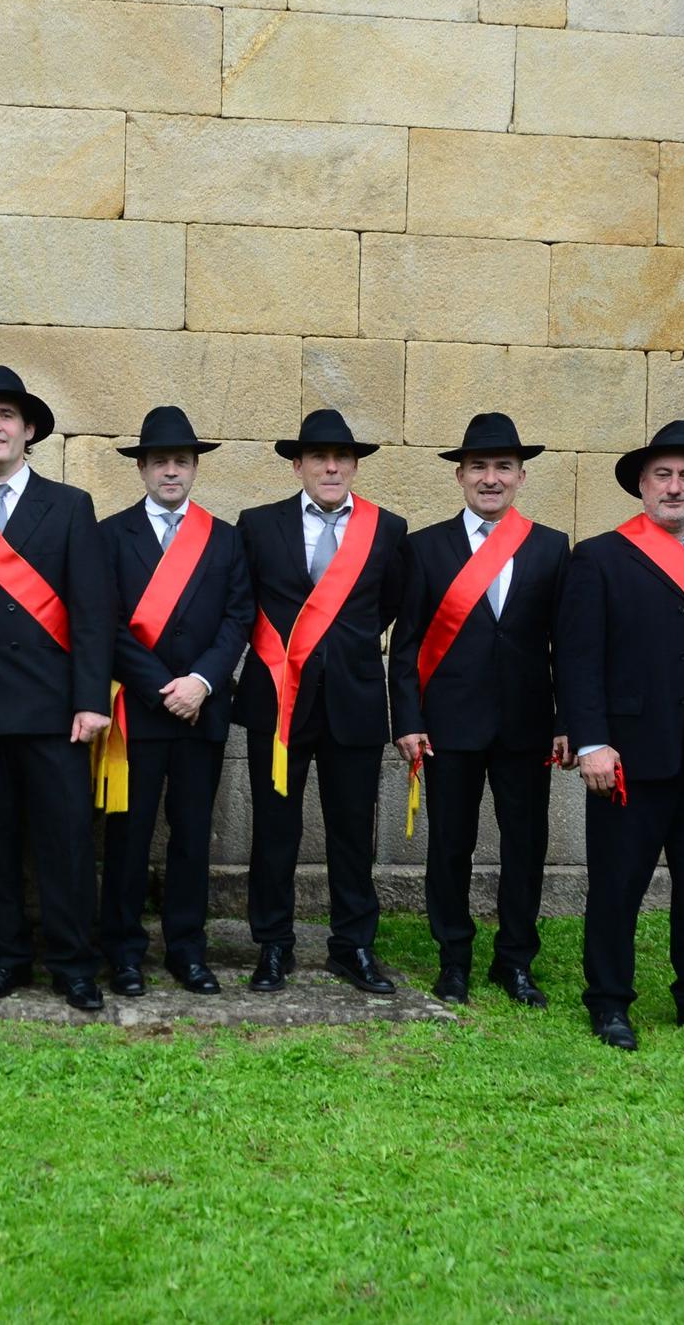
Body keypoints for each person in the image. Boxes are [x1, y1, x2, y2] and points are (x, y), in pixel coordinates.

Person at [558, 422, 684, 1053]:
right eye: (662, 475)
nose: (674, 487)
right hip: (627, 757)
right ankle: (609, 1001)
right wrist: (591, 743)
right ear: (640, 484)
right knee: (616, 885)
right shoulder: (600, 557)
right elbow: (578, 660)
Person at [0, 365, 114, 1011]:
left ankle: (73, 963)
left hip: (52, 710)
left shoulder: (70, 506)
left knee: (65, 844)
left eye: (6, 416)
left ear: (28, 429)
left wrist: (92, 699)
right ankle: (5, 958)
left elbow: (93, 612)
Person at [389, 412, 569, 1007]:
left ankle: (515, 960)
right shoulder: (424, 547)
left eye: (503, 468)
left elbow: (565, 644)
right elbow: (407, 643)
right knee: (450, 845)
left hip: (526, 725)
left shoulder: (549, 546)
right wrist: (408, 720)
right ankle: (454, 959)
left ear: (520, 477)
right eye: (479, 468)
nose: (490, 478)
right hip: (448, 725)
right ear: (460, 476)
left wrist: (568, 722)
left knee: (525, 844)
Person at [234, 409, 407, 995]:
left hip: (354, 703)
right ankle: (274, 946)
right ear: (297, 465)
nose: (330, 467)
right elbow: (245, 602)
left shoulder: (388, 530)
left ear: (355, 465)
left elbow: (387, 606)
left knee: (352, 832)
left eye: (341, 458)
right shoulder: (257, 525)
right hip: (279, 702)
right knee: (275, 829)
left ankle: (352, 946)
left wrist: (341, 652)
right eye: (317, 457)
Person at [95, 406, 252, 996]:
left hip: (202, 710)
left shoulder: (227, 538)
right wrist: (163, 687)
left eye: (181, 461)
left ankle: (188, 950)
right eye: (159, 460)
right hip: (138, 714)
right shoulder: (111, 535)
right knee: (128, 836)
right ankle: (124, 951)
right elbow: (105, 624)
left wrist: (203, 682)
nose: (170, 471)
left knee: (192, 836)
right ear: (141, 468)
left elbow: (238, 618)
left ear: (194, 469)